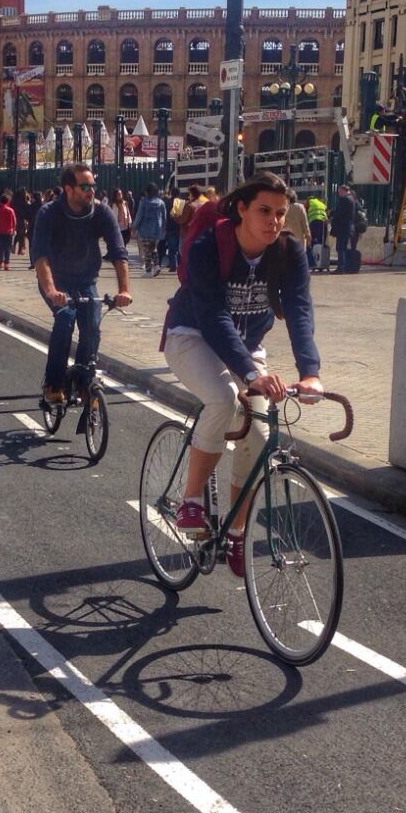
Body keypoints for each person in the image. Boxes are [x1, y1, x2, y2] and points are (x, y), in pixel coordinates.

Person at [162, 173, 321, 578]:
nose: (273, 221)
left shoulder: (288, 252)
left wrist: (310, 373)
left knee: (260, 436)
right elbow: (213, 317)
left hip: (246, 346)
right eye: (264, 211)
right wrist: (251, 374)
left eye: (281, 213)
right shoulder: (208, 246)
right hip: (191, 335)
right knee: (223, 399)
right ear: (242, 209)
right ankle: (192, 499)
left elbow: (300, 310)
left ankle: (236, 531)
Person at [32, 162, 131, 405]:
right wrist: (51, 290)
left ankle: (84, 383)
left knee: (92, 327)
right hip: (57, 280)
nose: (91, 191)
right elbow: (41, 257)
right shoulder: (49, 213)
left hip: (86, 279)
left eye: (93, 186)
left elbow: (119, 253)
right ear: (68, 189)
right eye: (85, 186)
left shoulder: (101, 212)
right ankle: (53, 383)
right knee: (65, 319)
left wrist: (124, 290)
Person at [134, 183, 168, 277]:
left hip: (145, 230)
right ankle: (156, 266)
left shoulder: (144, 202)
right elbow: (164, 217)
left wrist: (134, 226)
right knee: (153, 248)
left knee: (147, 250)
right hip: (157, 230)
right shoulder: (161, 202)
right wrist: (163, 228)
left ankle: (148, 271)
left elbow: (139, 215)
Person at [330, 184, 360, 274]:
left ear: (343, 191)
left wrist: (331, 213)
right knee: (344, 247)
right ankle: (346, 266)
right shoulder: (352, 199)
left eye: (339, 191)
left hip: (343, 227)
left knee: (340, 248)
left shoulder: (345, 199)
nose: (339, 193)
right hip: (349, 227)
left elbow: (339, 212)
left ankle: (341, 268)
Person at [283, 189, 313, 272]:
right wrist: (308, 235)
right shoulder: (300, 207)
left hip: (285, 237)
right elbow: (305, 223)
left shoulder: (284, 206)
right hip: (299, 237)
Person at [0, 188, 17, 269]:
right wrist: (14, 229)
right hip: (9, 231)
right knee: (7, 247)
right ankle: (7, 263)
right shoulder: (11, 210)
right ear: (8, 201)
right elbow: (14, 221)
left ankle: (0, 262)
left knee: (0, 247)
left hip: (0, 231)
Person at [305, 191, 328, 273]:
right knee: (322, 241)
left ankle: (313, 262)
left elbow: (305, 213)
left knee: (312, 240)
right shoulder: (321, 203)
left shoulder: (309, 203)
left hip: (313, 222)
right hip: (323, 223)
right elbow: (326, 211)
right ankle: (321, 262)